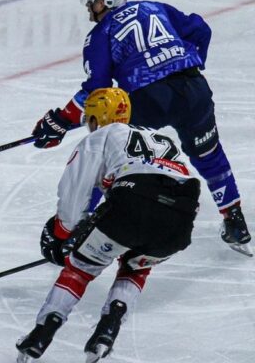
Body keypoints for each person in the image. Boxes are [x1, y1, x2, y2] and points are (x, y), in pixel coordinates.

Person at [31, 0, 251, 256]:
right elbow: (200, 29)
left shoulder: (102, 32)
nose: (88, 6)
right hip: (193, 89)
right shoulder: (155, 7)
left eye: (93, 0)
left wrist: (61, 119)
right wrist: (192, 64)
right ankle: (234, 219)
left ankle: (75, 231)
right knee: (208, 154)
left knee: (106, 153)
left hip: (147, 99)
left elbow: (96, 89)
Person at [16, 88, 201, 363]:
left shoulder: (102, 136)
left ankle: (42, 333)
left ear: (96, 117)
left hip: (133, 201)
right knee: (137, 265)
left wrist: (62, 233)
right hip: (180, 219)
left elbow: (74, 191)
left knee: (81, 267)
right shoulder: (161, 139)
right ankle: (107, 330)